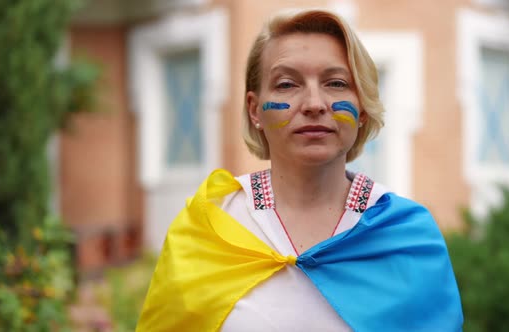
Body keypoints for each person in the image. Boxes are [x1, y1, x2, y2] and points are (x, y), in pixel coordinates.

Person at [136, 9, 463, 332]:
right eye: (287, 84)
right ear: (254, 110)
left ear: (362, 107)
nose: (314, 103)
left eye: (335, 83)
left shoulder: (405, 236)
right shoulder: (210, 225)